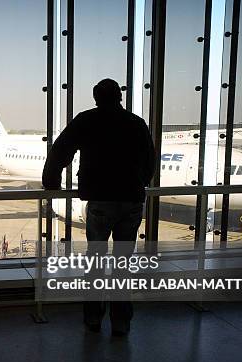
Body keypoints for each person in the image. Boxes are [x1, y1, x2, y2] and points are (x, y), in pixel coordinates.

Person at [42, 78, 156, 336]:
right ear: (120, 97)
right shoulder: (136, 123)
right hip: (131, 200)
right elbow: (150, 160)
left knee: (95, 260)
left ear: (96, 98)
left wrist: (51, 183)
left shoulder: (87, 120)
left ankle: (94, 317)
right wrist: (139, 182)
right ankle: (121, 321)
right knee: (123, 263)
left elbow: (60, 151)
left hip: (100, 200)